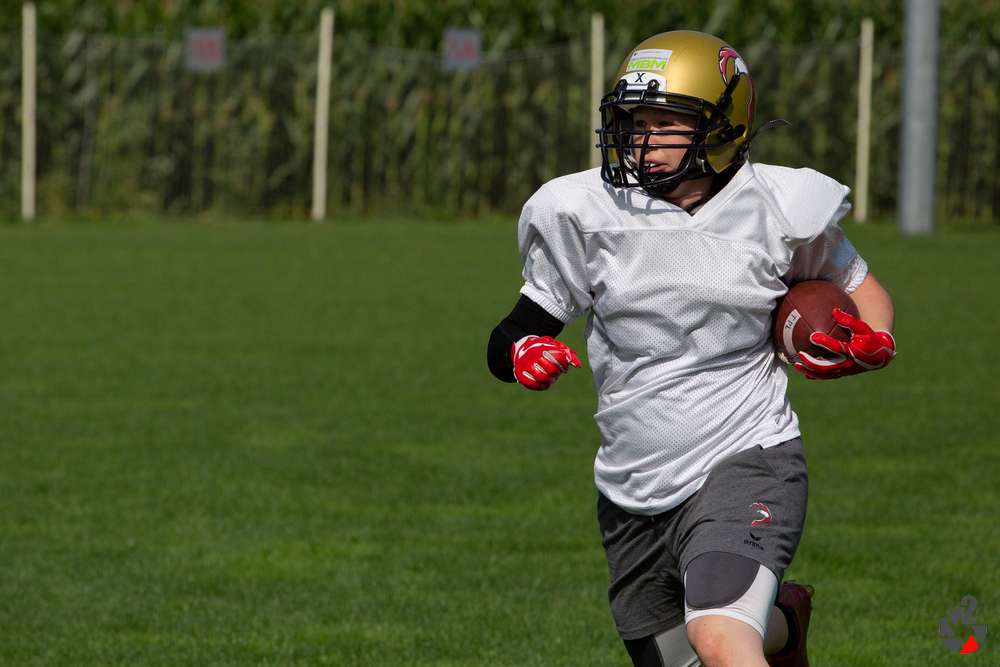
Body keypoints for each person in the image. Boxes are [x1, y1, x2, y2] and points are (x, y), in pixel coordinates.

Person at [486, 30, 896, 667]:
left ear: (723, 126)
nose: (643, 139)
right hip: (632, 483)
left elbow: (861, 288)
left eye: (665, 123)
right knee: (682, 658)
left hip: (746, 454)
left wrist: (876, 338)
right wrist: (522, 353)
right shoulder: (586, 212)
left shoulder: (775, 208)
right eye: (635, 122)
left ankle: (754, 625)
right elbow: (512, 332)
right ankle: (784, 622)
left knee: (720, 639)